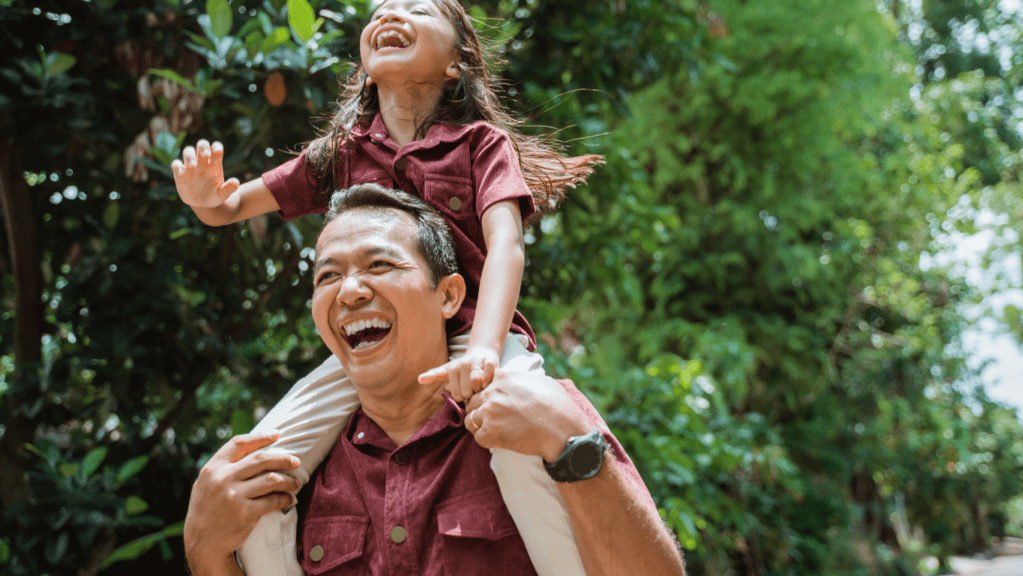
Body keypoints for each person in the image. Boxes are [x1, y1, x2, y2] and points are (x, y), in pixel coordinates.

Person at [171, 1, 602, 573]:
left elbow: (507, 246)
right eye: (379, 10)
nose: (390, 13)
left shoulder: (480, 144)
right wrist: (204, 198)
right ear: (365, 62)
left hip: (479, 334)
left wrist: (484, 352)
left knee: (527, 445)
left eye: (416, 7)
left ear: (456, 63)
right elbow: (230, 206)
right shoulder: (343, 152)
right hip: (375, 346)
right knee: (258, 467)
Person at [183, 185, 685, 576]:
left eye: (379, 264)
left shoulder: (542, 418)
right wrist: (207, 554)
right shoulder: (292, 474)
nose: (350, 291)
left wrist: (570, 441)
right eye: (327, 276)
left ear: (448, 297)